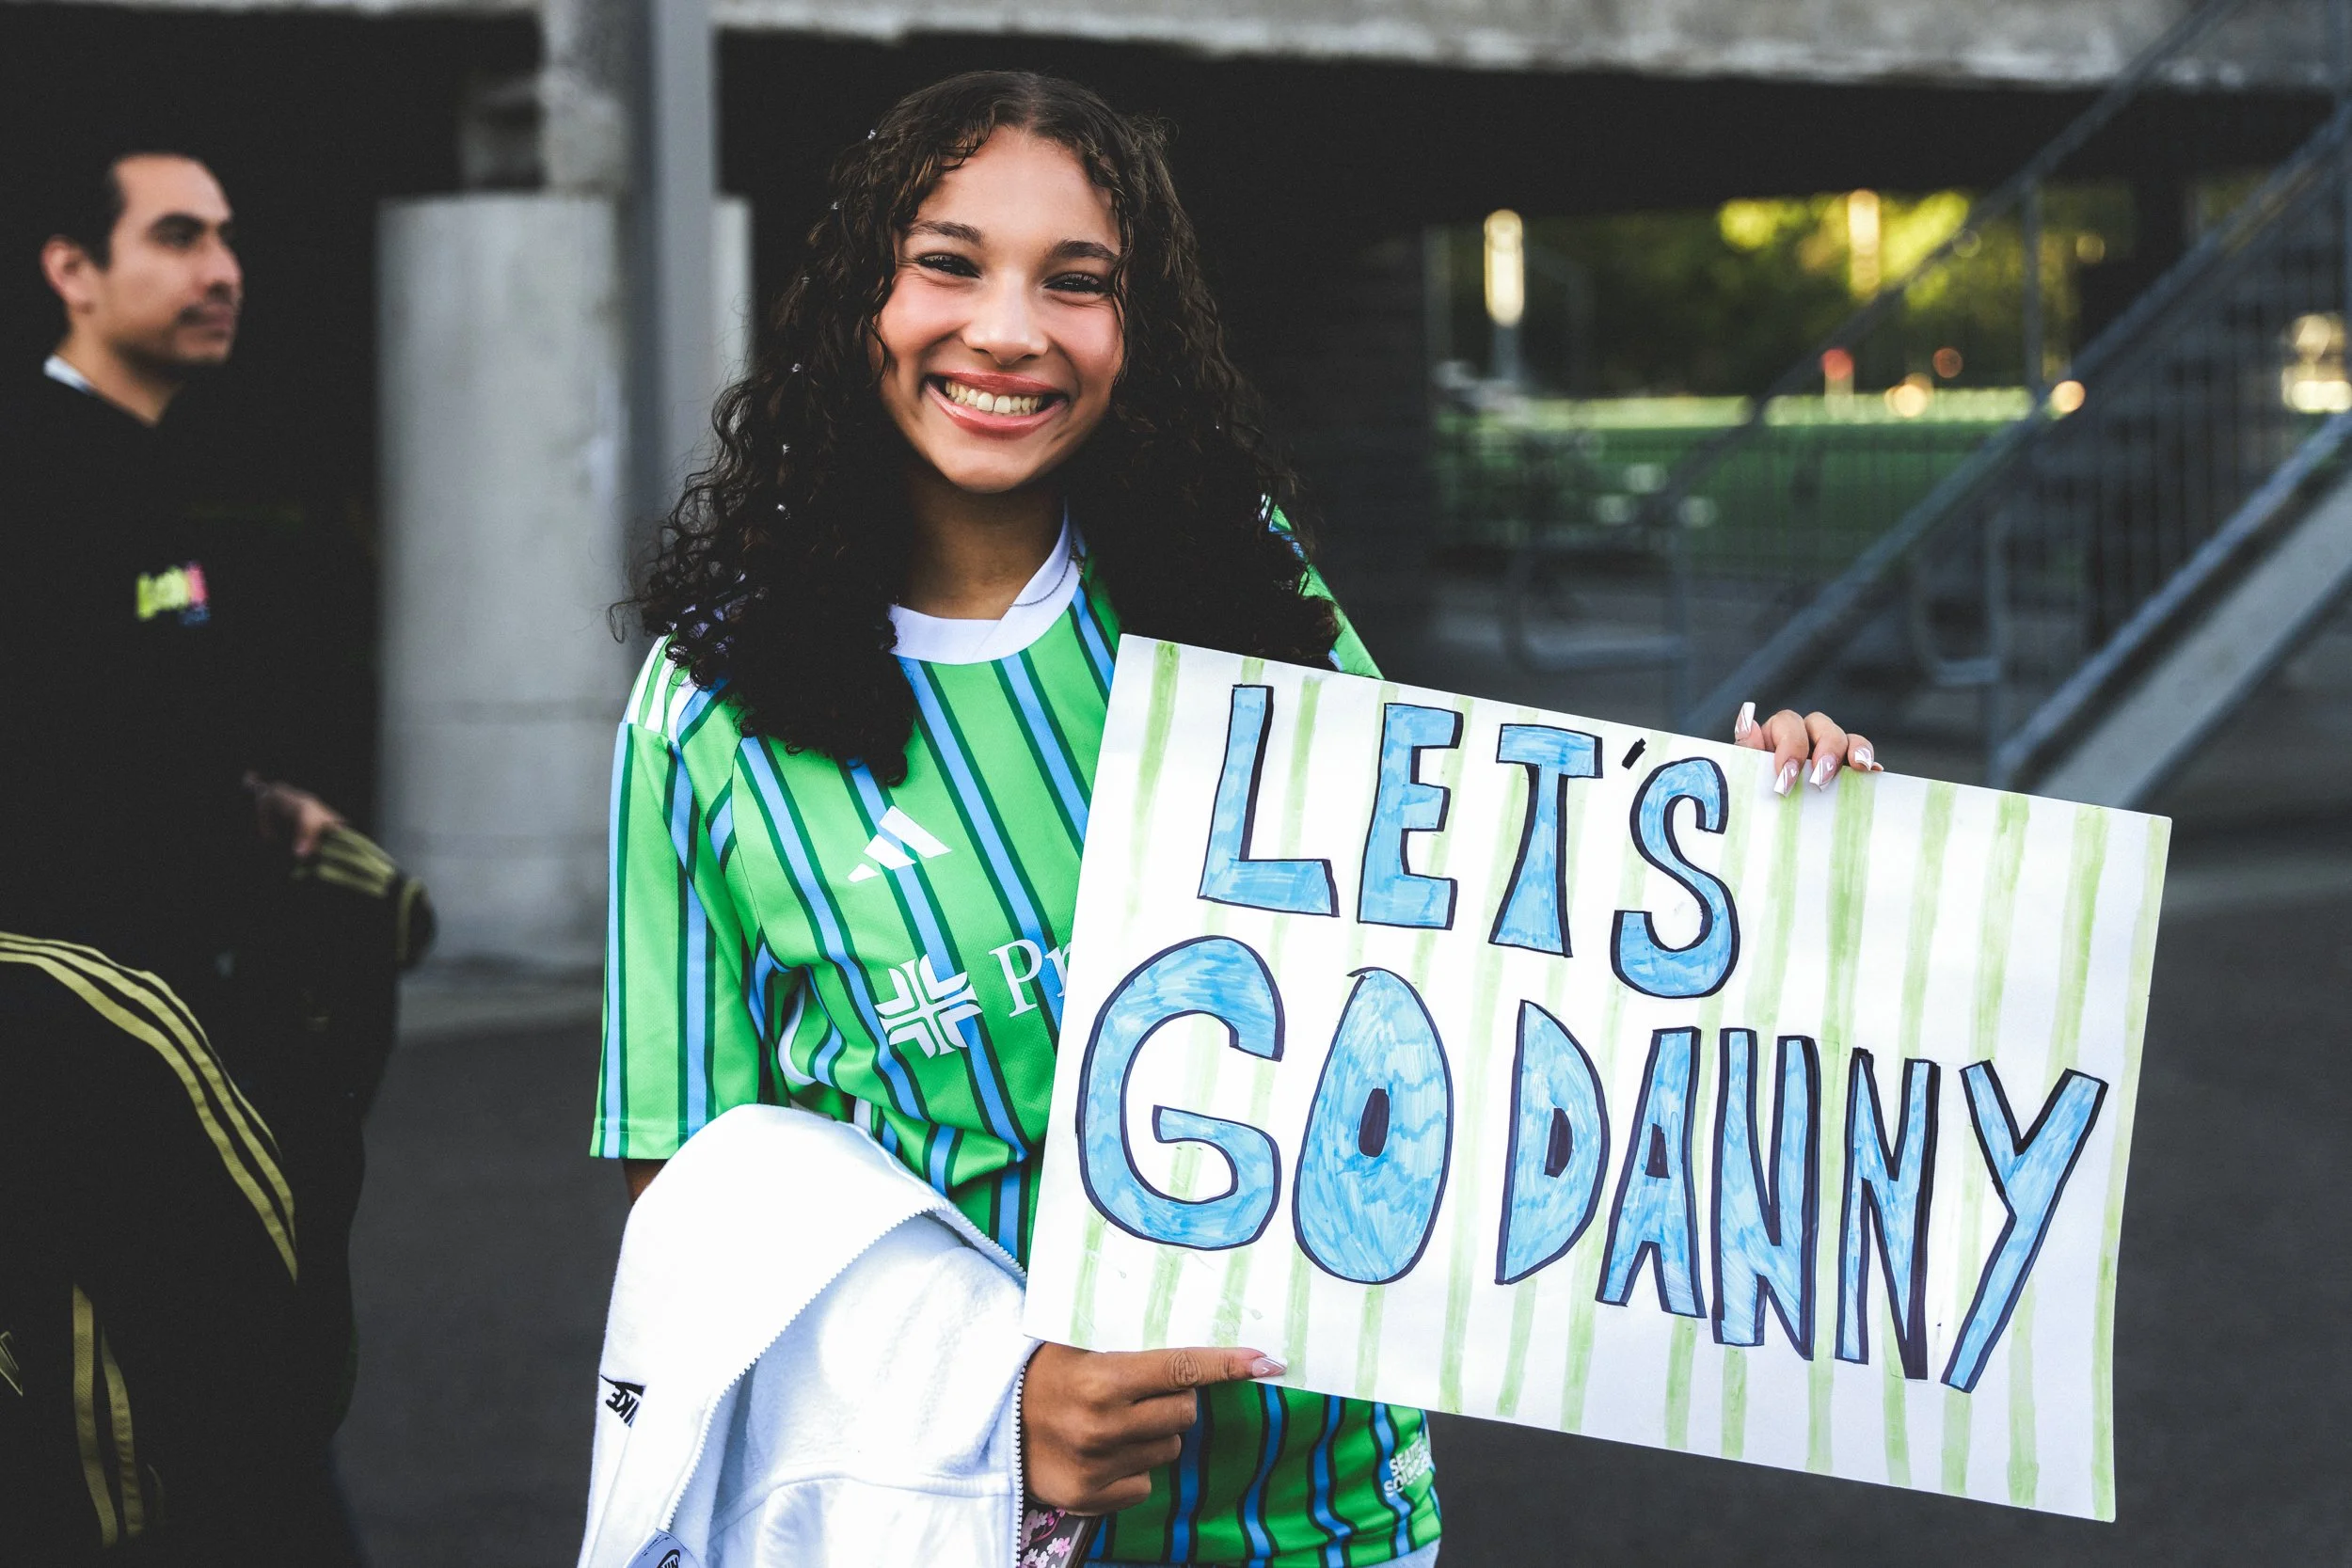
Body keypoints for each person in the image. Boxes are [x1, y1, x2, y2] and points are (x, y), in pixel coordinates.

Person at [596, 71, 1877, 1567]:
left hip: (1325, 1517)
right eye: (948, 262)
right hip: (941, 1526)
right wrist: (985, 1401)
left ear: (1136, 328)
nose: (1007, 330)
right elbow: (694, 1218)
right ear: (854, 301)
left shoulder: (1238, 587)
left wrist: (1750, 831)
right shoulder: (706, 712)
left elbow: (1474, 948)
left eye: (1077, 282)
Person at [0, 150, 383, 1560]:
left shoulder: (137, 457)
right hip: (83, 1070)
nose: (221, 270)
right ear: (73, 270)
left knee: (244, 1429)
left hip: (179, 1028)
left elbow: (112, 730)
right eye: (174, 236)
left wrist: (251, 802)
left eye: (226, 237)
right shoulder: (34, 472)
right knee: (177, 1450)